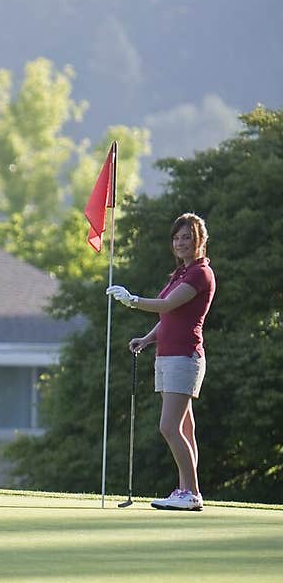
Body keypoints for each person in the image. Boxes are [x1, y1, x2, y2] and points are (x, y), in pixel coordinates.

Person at [107, 212, 216, 512]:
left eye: (187, 237)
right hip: (168, 355)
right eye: (177, 238)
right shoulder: (180, 273)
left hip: (185, 356)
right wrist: (147, 338)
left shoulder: (199, 274)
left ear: (200, 241)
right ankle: (186, 489)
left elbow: (167, 304)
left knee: (168, 427)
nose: (181, 243)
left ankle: (190, 493)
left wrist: (132, 300)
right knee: (186, 428)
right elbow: (168, 317)